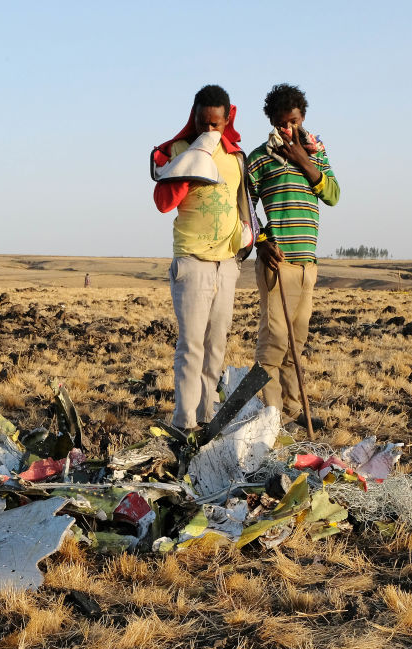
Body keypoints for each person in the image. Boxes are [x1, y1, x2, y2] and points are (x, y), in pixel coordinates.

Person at [151, 84, 258, 435]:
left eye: (215, 124)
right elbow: (163, 201)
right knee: (191, 345)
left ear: (227, 120)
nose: (209, 130)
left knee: (216, 345)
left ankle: (206, 418)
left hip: (227, 264)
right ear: (194, 118)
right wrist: (195, 155)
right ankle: (184, 423)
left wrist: (248, 237)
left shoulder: (236, 157)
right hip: (193, 261)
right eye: (202, 122)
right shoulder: (180, 150)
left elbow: (244, 201)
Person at [246, 84, 340, 426]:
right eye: (282, 123)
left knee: (296, 343)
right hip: (279, 263)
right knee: (274, 341)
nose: (289, 129)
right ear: (271, 121)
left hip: (307, 263)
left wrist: (303, 159)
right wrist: (261, 241)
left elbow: (332, 194)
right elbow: (246, 208)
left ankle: (293, 411)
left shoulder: (316, 152)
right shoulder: (258, 158)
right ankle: (270, 417)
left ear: (303, 119)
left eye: (294, 121)